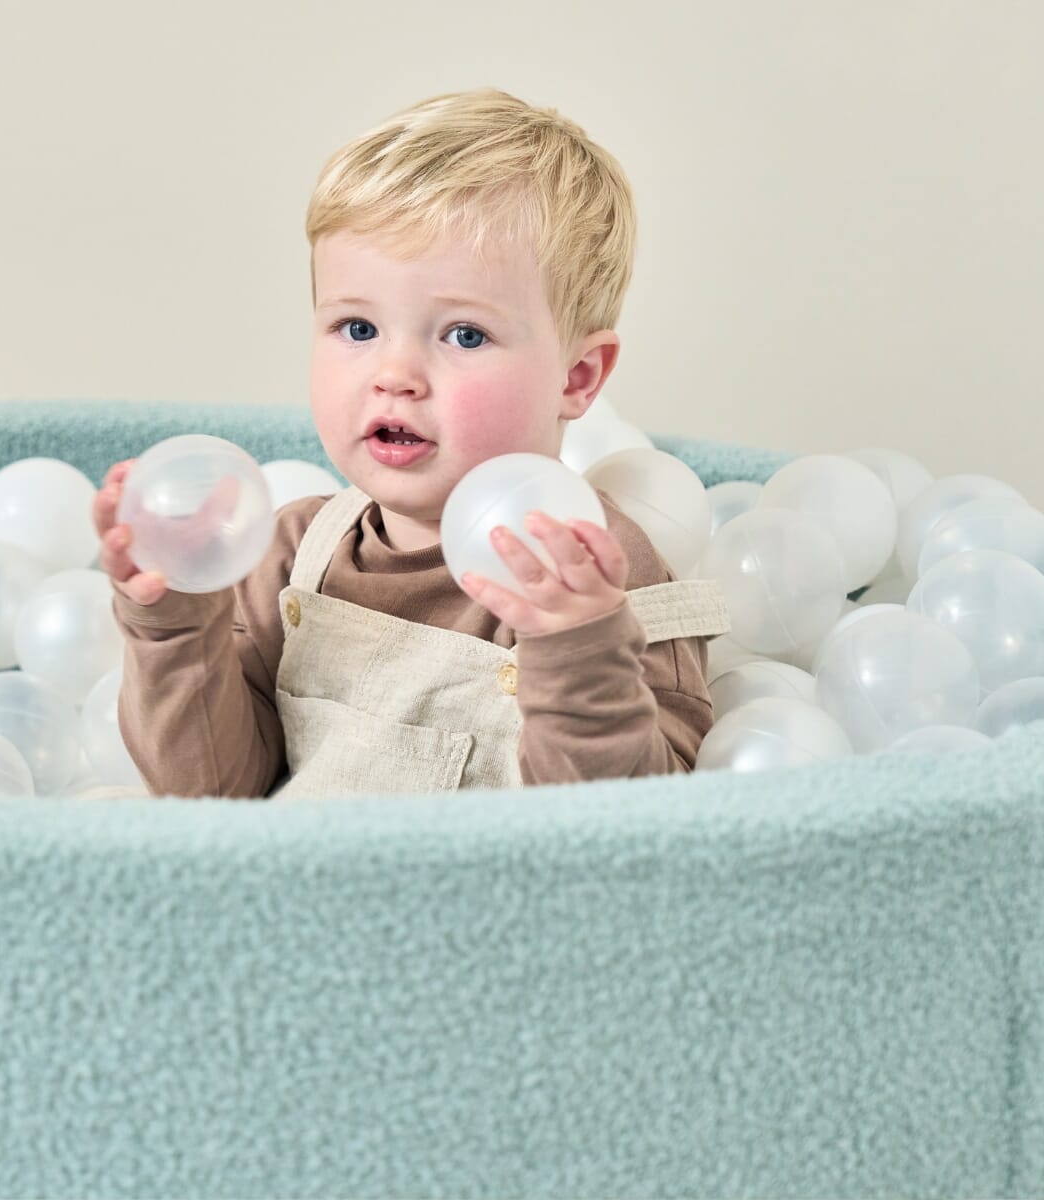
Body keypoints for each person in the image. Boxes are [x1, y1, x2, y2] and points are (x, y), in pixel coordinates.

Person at [90, 86, 729, 799]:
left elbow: (630, 843)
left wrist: (578, 650)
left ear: (576, 377)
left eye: (463, 335)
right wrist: (176, 623)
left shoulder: (600, 578)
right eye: (357, 329)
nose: (393, 376)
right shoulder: (291, 554)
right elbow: (213, 791)